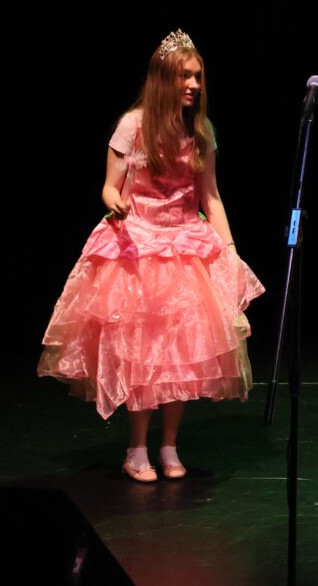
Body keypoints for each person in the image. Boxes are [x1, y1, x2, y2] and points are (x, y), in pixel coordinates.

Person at [38, 29, 264, 483]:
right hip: (138, 245)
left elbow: (210, 197)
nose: (194, 85)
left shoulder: (201, 132)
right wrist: (112, 199)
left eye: (198, 77)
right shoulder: (132, 125)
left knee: (178, 356)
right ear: (164, 78)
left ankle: (169, 444)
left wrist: (230, 251)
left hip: (182, 245)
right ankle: (136, 447)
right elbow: (109, 183)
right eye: (185, 76)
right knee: (142, 355)